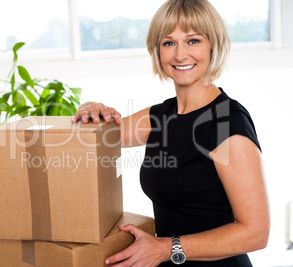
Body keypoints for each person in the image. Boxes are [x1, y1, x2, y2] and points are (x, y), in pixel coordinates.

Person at [71, 0, 270, 266]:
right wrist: (88, 108)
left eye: (193, 41)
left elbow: (256, 233)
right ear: (157, 51)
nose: (180, 55)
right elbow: (95, 138)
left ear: (213, 45)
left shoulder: (227, 123)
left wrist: (165, 248)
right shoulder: (160, 116)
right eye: (169, 43)